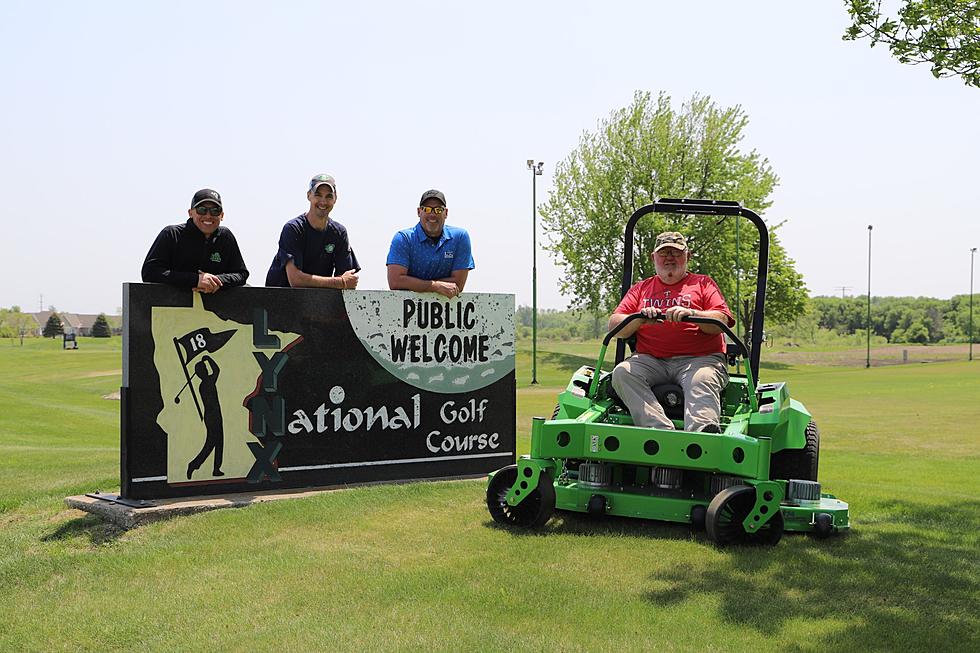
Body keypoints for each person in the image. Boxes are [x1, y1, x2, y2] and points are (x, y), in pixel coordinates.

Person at [609, 231, 734, 433]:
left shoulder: (703, 284)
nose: (669, 258)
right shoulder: (641, 289)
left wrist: (692, 313)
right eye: (664, 253)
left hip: (700, 360)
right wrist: (640, 317)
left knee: (702, 379)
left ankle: (702, 436)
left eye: (675, 253)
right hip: (651, 360)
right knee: (622, 373)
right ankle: (660, 431)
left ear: (687, 256)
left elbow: (721, 320)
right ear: (653, 257)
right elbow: (615, 326)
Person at [141, 189, 249, 292]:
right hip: (174, 306)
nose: (208, 215)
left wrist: (217, 281)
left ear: (222, 215)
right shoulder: (172, 234)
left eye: (215, 211)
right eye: (202, 210)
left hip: (215, 309)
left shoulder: (226, 237)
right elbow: (150, 272)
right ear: (190, 213)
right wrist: (195, 280)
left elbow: (242, 274)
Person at [265, 174, 359, 289]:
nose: (323, 201)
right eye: (318, 195)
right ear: (309, 196)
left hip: (316, 300)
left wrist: (343, 282)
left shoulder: (339, 233)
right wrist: (339, 282)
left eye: (329, 196)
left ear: (335, 199)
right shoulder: (293, 229)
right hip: (280, 299)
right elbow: (295, 280)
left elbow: (349, 280)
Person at [386, 189, 474, 298]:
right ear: (419, 212)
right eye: (427, 209)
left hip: (447, 310)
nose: (432, 214)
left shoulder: (460, 237)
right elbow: (395, 282)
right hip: (406, 310)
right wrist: (435, 286)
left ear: (446, 213)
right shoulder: (403, 238)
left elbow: (458, 284)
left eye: (438, 210)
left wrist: (413, 283)